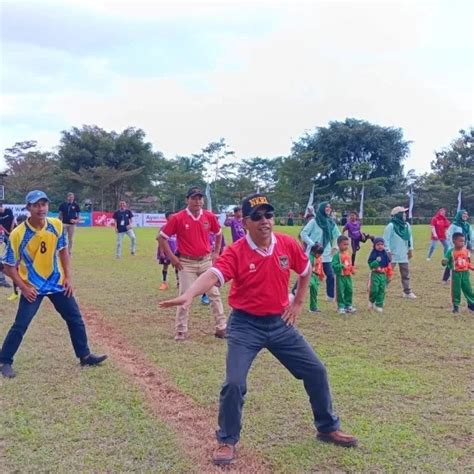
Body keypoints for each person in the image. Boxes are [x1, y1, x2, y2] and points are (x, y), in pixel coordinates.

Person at [159, 192, 357, 465]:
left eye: (268, 215)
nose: (265, 221)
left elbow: (305, 270)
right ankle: (227, 441)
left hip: (279, 323)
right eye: (257, 217)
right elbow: (212, 275)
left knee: (316, 370)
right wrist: (189, 294)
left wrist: (298, 303)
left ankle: (327, 427)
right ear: (246, 222)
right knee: (234, 383)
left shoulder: (286, 244)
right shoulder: (236, 250)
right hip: (245, 325)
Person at [0, 190, 107, 378]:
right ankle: (4, 361)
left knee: (75, 318)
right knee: (21, 324)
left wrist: (68, 277)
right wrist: (23, 288)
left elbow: (63, 251)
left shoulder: (56, 225)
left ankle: (85, 355)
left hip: (56, 283)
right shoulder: (18, 234)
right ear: (28, 208)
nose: (41, 208)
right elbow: (8, 266)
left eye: (44, 204)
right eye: (36, 205)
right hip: (32, 287)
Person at [158, 186, 227, 341]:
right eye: (194, 198)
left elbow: (218, 234)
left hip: (205, 261)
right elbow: (161, 238)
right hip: (186, 262)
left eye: (199, 198)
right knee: (184, 295)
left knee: (214, 294)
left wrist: (216, 252)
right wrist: (172, 258)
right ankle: (181, 330)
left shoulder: (209, 216)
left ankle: (221, 327)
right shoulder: (178, 218)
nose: (197, 201)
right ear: (187, 200)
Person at [300, 201, 341, 302]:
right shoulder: (314, 221)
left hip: (326, 254)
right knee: (306, 274)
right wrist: (313, 244)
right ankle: (295, 292)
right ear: (322, 208)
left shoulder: (331, 222)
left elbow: (338, 235)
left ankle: (330, 296)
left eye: (330, 207)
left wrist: (335, 246)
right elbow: (303, 234)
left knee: (331, 275)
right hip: (314, 254)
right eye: (326, 207)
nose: (328, 209)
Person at [383, 206, 417, 299]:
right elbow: (385, 240)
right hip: (392, 254)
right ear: (397, 215)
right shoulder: (390, 226)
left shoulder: (406, 225)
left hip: (403, 253)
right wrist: (387, 251)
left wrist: (410, 249)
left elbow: (410, 237)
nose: (405, 215)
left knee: (405, 273)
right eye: (403, 213)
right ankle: (381, 290)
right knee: (388, 273)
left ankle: (407, 291)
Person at [442, 232, 474, 314]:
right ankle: (456, 306)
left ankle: (471, 305)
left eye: (463, 241)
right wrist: (444, 262)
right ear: (454, 241)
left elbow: (468, 263)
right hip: (456, 274)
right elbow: (445, 261)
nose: (462, 243)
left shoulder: (466, 251)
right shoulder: (451, 251)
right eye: (460, 241)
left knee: (468, 289)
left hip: (465, 274)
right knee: (456, 290)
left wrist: (472, 267)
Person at [442, 210, 473, 284]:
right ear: (460, 215)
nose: (465, 216)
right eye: (463, 215)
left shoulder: (467, 225)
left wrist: (471, 245)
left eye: (466, 215)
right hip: (454, 247)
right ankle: (445, 279)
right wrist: (453, 245)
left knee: (463, 261)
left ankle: (461, 277)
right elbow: (449, 235)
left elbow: (471, 236)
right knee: (451, 262)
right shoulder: (454, 225)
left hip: (464, 246)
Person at [367, 237, 393, 313]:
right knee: (374, 290)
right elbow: (370, 265)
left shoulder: (385, 254)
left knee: (382, 290)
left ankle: (379, 305)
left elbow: (388, 264)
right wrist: (376, 262)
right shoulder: (373, 254)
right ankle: (371, 301)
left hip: (383, 275)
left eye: (382, 244)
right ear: (374, 245)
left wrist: (389, 274)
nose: (380, 246)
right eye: (378, 244)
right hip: (375, 274)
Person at [331, 235, 356, 314]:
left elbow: (349, 263)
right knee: (340, 291)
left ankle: (348, 305)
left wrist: (352, 269)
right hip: (340, 277)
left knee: (349, 290)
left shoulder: (348, 254)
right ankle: (341, 306)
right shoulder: (336, 255)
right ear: (338, 244)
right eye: (344, 244)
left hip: (348, 276)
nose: (346, 246)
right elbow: (333, 265)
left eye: (347, 244)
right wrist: (341, 266)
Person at [6, 214, 28, 301]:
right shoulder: (16, 233)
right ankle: (15, 293)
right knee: (15, 273)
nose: (19, 226)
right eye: (18, 224)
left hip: (30, 260)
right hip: (19, 258)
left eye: (20, 224)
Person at [157, 211, 179, 291]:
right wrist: (162, 252)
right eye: (171, 216)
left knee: (178, 266)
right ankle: (164, 282)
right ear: (167, 218)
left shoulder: (177, 227)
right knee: (165, 266)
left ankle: (178, 282)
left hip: (175, 251)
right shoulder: (163, 228)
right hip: (166, 251)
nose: (173, 218)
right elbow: (160, 240)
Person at [0, 202, 14, 289]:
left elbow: (13, 220)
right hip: (5, 233)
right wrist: (6, 232)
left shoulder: (8, 211)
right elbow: (0, 225)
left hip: (12, 231)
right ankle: (2, 280)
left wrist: (11, 231)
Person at [309, 243, 324, 313]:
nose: (320, 255)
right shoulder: (310, 257)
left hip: (316, 276)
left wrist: (321, 274)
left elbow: (320, 267)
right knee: (312, 286)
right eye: (319, 253)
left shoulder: (318, 258)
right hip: (310, 275)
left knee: (314, 291)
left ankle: (313, 307)